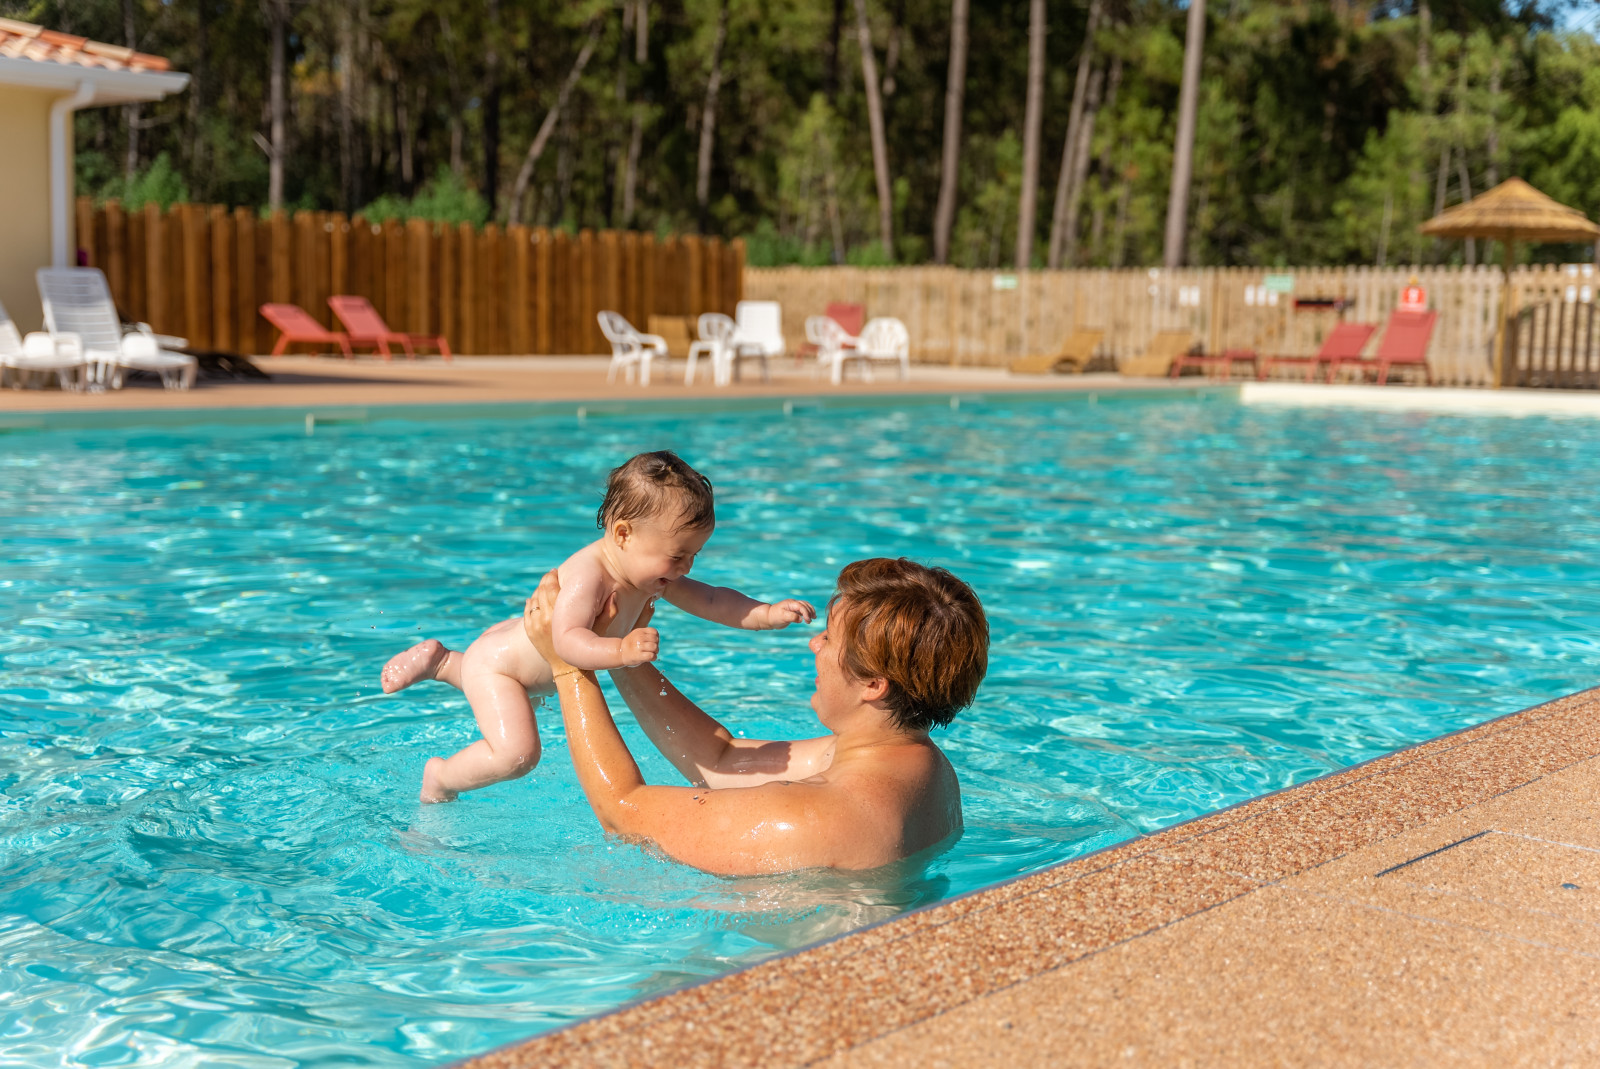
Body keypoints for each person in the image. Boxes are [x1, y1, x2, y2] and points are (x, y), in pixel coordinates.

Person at [380, 451, 816, 802]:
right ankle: (440, 776)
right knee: (518, 755)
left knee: (517, 693)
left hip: (515, 662)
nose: (686, 568)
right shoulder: (591, 576)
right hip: (499, 667)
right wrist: (621, 653)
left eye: (694, 556)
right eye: (677, 555)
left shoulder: (649, 572)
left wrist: (766, 613)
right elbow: (566, 643)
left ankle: (443, 664)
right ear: (623, 534)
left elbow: (713, 599)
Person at [519, 557, 989, 875]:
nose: (814, 644)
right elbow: (721, 759)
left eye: (829, 639)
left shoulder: (814, 815)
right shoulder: (918, 765)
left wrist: (567, 668)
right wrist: (618, 648)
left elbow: (622, 811)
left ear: (873, 684)